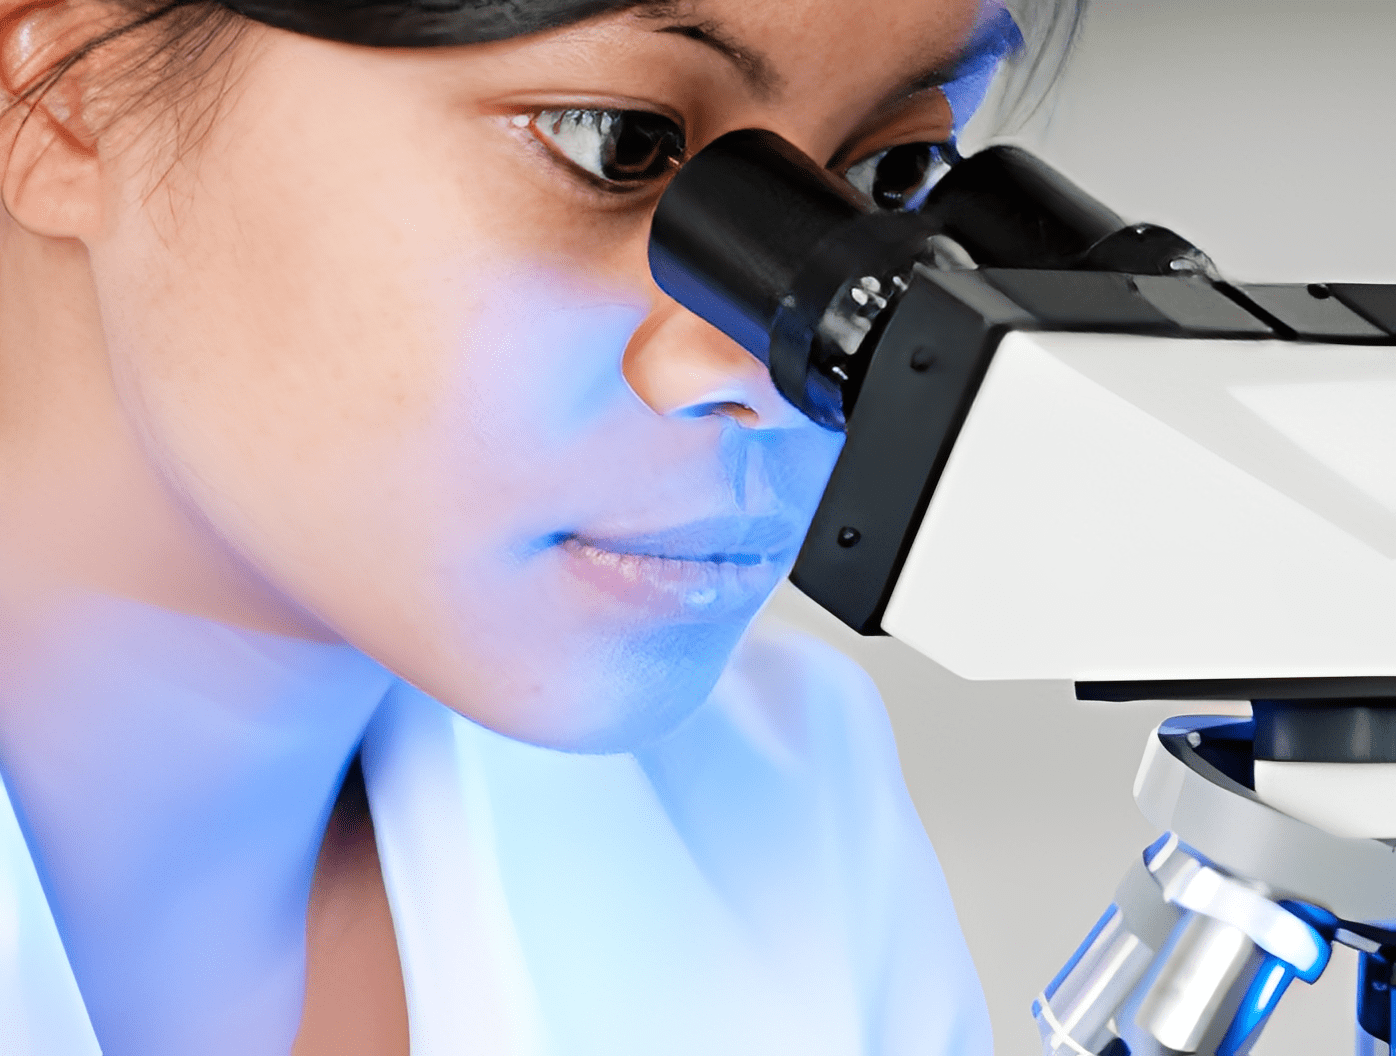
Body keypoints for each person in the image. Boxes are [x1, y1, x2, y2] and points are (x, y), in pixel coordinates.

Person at [0, 0, 1070, 1052]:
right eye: (619, 142)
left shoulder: (795, 823)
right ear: (66, 93)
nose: (773, 378)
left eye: (891, 177)